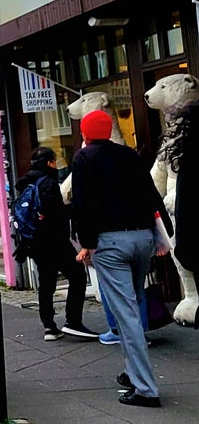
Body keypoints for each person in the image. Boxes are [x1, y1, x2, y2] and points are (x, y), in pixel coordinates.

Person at [72, 109, 170, 408]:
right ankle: (132, 371)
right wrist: (162, 235)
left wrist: (86, 243)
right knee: (136, 301)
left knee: (125, 314)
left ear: (85, 133)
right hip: (142, 237)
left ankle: (145, 388)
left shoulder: (84, 158)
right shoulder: (129, 155)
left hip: (110, 242)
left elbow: (83, 203)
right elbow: (151, 194)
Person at [15, 146, 98, 341]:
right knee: (77, 276)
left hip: (34, 242)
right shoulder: (48, 183)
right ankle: (73, 321)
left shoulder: (26, 183)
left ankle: (49, 327)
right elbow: (56, 215)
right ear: (50, 162)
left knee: (46, 283)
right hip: (54, 241)